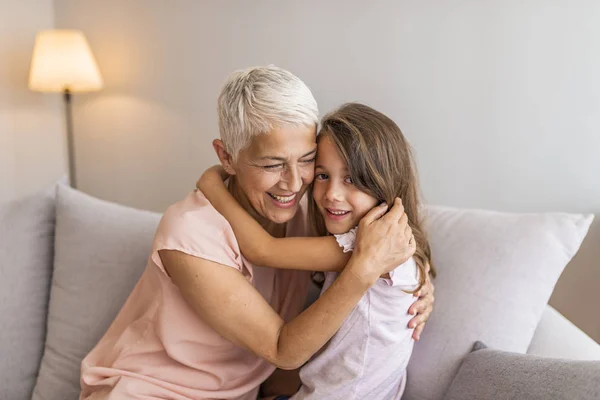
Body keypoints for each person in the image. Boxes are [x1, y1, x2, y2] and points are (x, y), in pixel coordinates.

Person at [80, 66, 434, 400]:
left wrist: (417, 285)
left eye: (307, 160)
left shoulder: (312, 211)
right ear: (227, 157)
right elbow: (284, 349)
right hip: (155, 391)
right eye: (272, 164)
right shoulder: (189, 234)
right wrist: (365, 268)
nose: (294, 184)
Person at [197, 102, 435, 399]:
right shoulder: (401, 246)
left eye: (351, 179)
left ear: (386, 183)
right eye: (322, 175)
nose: (332, 194)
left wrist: (213, 184)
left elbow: (262, 249)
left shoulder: (365, 248)